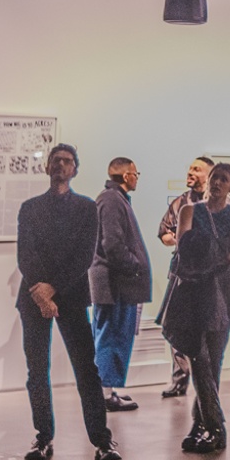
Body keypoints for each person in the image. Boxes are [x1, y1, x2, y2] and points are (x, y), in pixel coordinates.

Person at [15, 144, 118, 460]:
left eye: (67, 161)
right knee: (37, 371)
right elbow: (25, 254)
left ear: (75, 169)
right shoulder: (29, 208)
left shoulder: (87, 208)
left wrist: (52, 288)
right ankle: (43, 437)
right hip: (33, 297)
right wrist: (40, 292)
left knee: (86, 370)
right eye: (56, 161)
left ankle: (102, 440)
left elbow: (83, 256)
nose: (61, 165)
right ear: (47, 167)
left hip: (70, 295)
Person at [165, 161, 230, 453]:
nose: (217, 182)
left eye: (223, 179)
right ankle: (215, 427)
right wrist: (220, 248)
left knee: (213, 360)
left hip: (222, 294)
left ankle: (201, 425)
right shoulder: (189, 210)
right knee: (198, 358)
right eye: (214, 177)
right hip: (191, 292)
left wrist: (216, 249)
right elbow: (185, 249)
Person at [89, 157, 151, 414]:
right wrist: (134, 265)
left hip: (116, 283)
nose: (137, 177)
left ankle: (108, 390)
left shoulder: (112, 199)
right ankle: (104, 394)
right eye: (136, 173)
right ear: (127, 176)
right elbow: (112, 244)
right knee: (111, 337)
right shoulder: (112, 200)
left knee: (112, 336)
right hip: (115, 284)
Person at [155, 157, 213, 398]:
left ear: (209, 175)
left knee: (207, 331)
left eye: (197, 169)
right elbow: (163, 233)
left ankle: (206, 382)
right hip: (180, 273)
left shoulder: (218, 205)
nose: (190, 172)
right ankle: (179, 380)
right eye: (190, 168)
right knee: (175, 326)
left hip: (209, 278)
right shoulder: (181, 202)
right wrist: (182, 240)